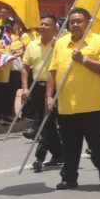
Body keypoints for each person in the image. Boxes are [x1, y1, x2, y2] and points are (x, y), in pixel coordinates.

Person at [46, 8, 100, 190]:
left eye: (79, 21)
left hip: (92, 104)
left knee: (96, 143)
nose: (75, 24)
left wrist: (84, 60)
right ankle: (69, 177)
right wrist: (49, 97)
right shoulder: (60, 43)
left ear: (88, 23)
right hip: (67, 104)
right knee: (69, 144)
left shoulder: (99, 41)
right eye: (72, 21)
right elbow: (53, 71)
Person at [23, 14, 63, 172]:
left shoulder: (61, 44)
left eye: (47, 24)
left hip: (56, 87)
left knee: (46, 123)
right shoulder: (32, 45)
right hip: (37, 87)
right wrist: (25, 88)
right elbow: (25, 67)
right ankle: (60, 153)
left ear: (54, 28)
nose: (43, 27)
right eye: (42, 24)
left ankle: (39, 157)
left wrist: (56, 47)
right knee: (46, 123)